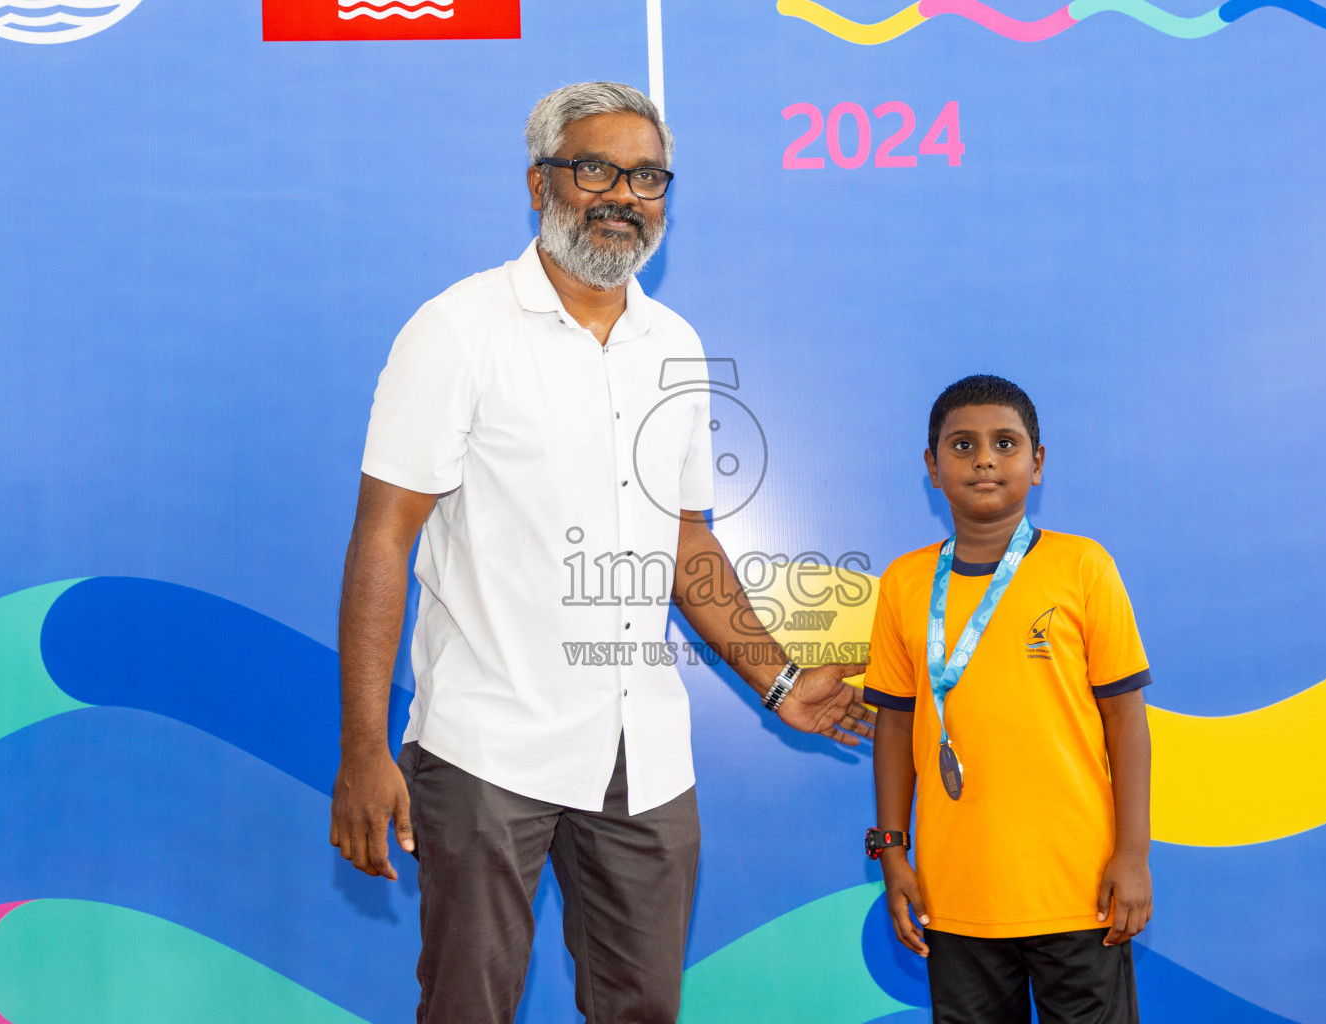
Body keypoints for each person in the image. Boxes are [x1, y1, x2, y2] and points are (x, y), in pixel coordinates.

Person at [328, 81, 874, 1024]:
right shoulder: (457, 331)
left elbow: (684, 540)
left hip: (645, 759)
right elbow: (383, 535)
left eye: (648, 176)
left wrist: (780, 682)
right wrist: (362, 749)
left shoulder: (678, 346)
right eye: (597, 170)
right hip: (486, 749)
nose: (624, 195)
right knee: (468, 1009)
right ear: (540, 183)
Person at [863, 374, 1152, 1024]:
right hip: (955, 898)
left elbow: (1126, 721)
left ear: (1038, 463)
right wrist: (890, 852)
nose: (985, 459)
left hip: (1080, 896)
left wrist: (1133, 855)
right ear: (932, 468)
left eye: (1005, 443)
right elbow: (893, 728)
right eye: (961, 446)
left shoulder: (1084, 568)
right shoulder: (905, 583)